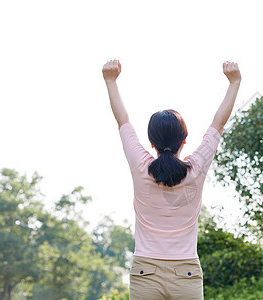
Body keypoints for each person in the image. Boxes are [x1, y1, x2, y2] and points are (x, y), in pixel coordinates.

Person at [102, 59, 241, 299]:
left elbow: (123, 120)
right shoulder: (196, 169)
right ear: (184, 140)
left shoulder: (140, 166)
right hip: (185, 272)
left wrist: (110, 80)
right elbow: (218, 123)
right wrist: (234, 82)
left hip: (145, 271)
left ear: (151, 143)